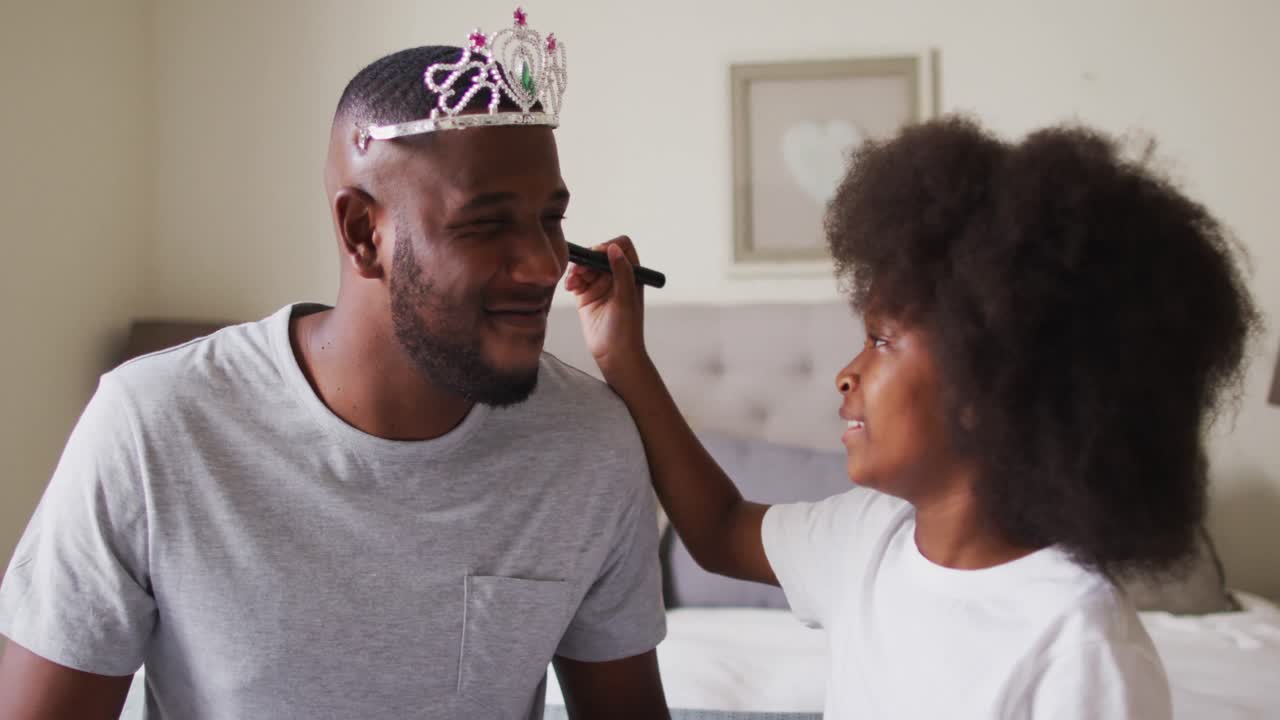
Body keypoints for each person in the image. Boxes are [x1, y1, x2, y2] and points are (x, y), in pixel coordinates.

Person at [0, 16, 670, 720]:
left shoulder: (589, 445)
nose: (543, 264)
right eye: (484, 223)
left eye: (549, 218)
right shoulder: (154, 424)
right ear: (361, 232)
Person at [567, 117, 1259, 719]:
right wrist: (624, 356)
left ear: (995, 381)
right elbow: (718, 530)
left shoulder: (1080, 647)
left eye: (882, 340)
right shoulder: (870, 540)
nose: (848, 371)